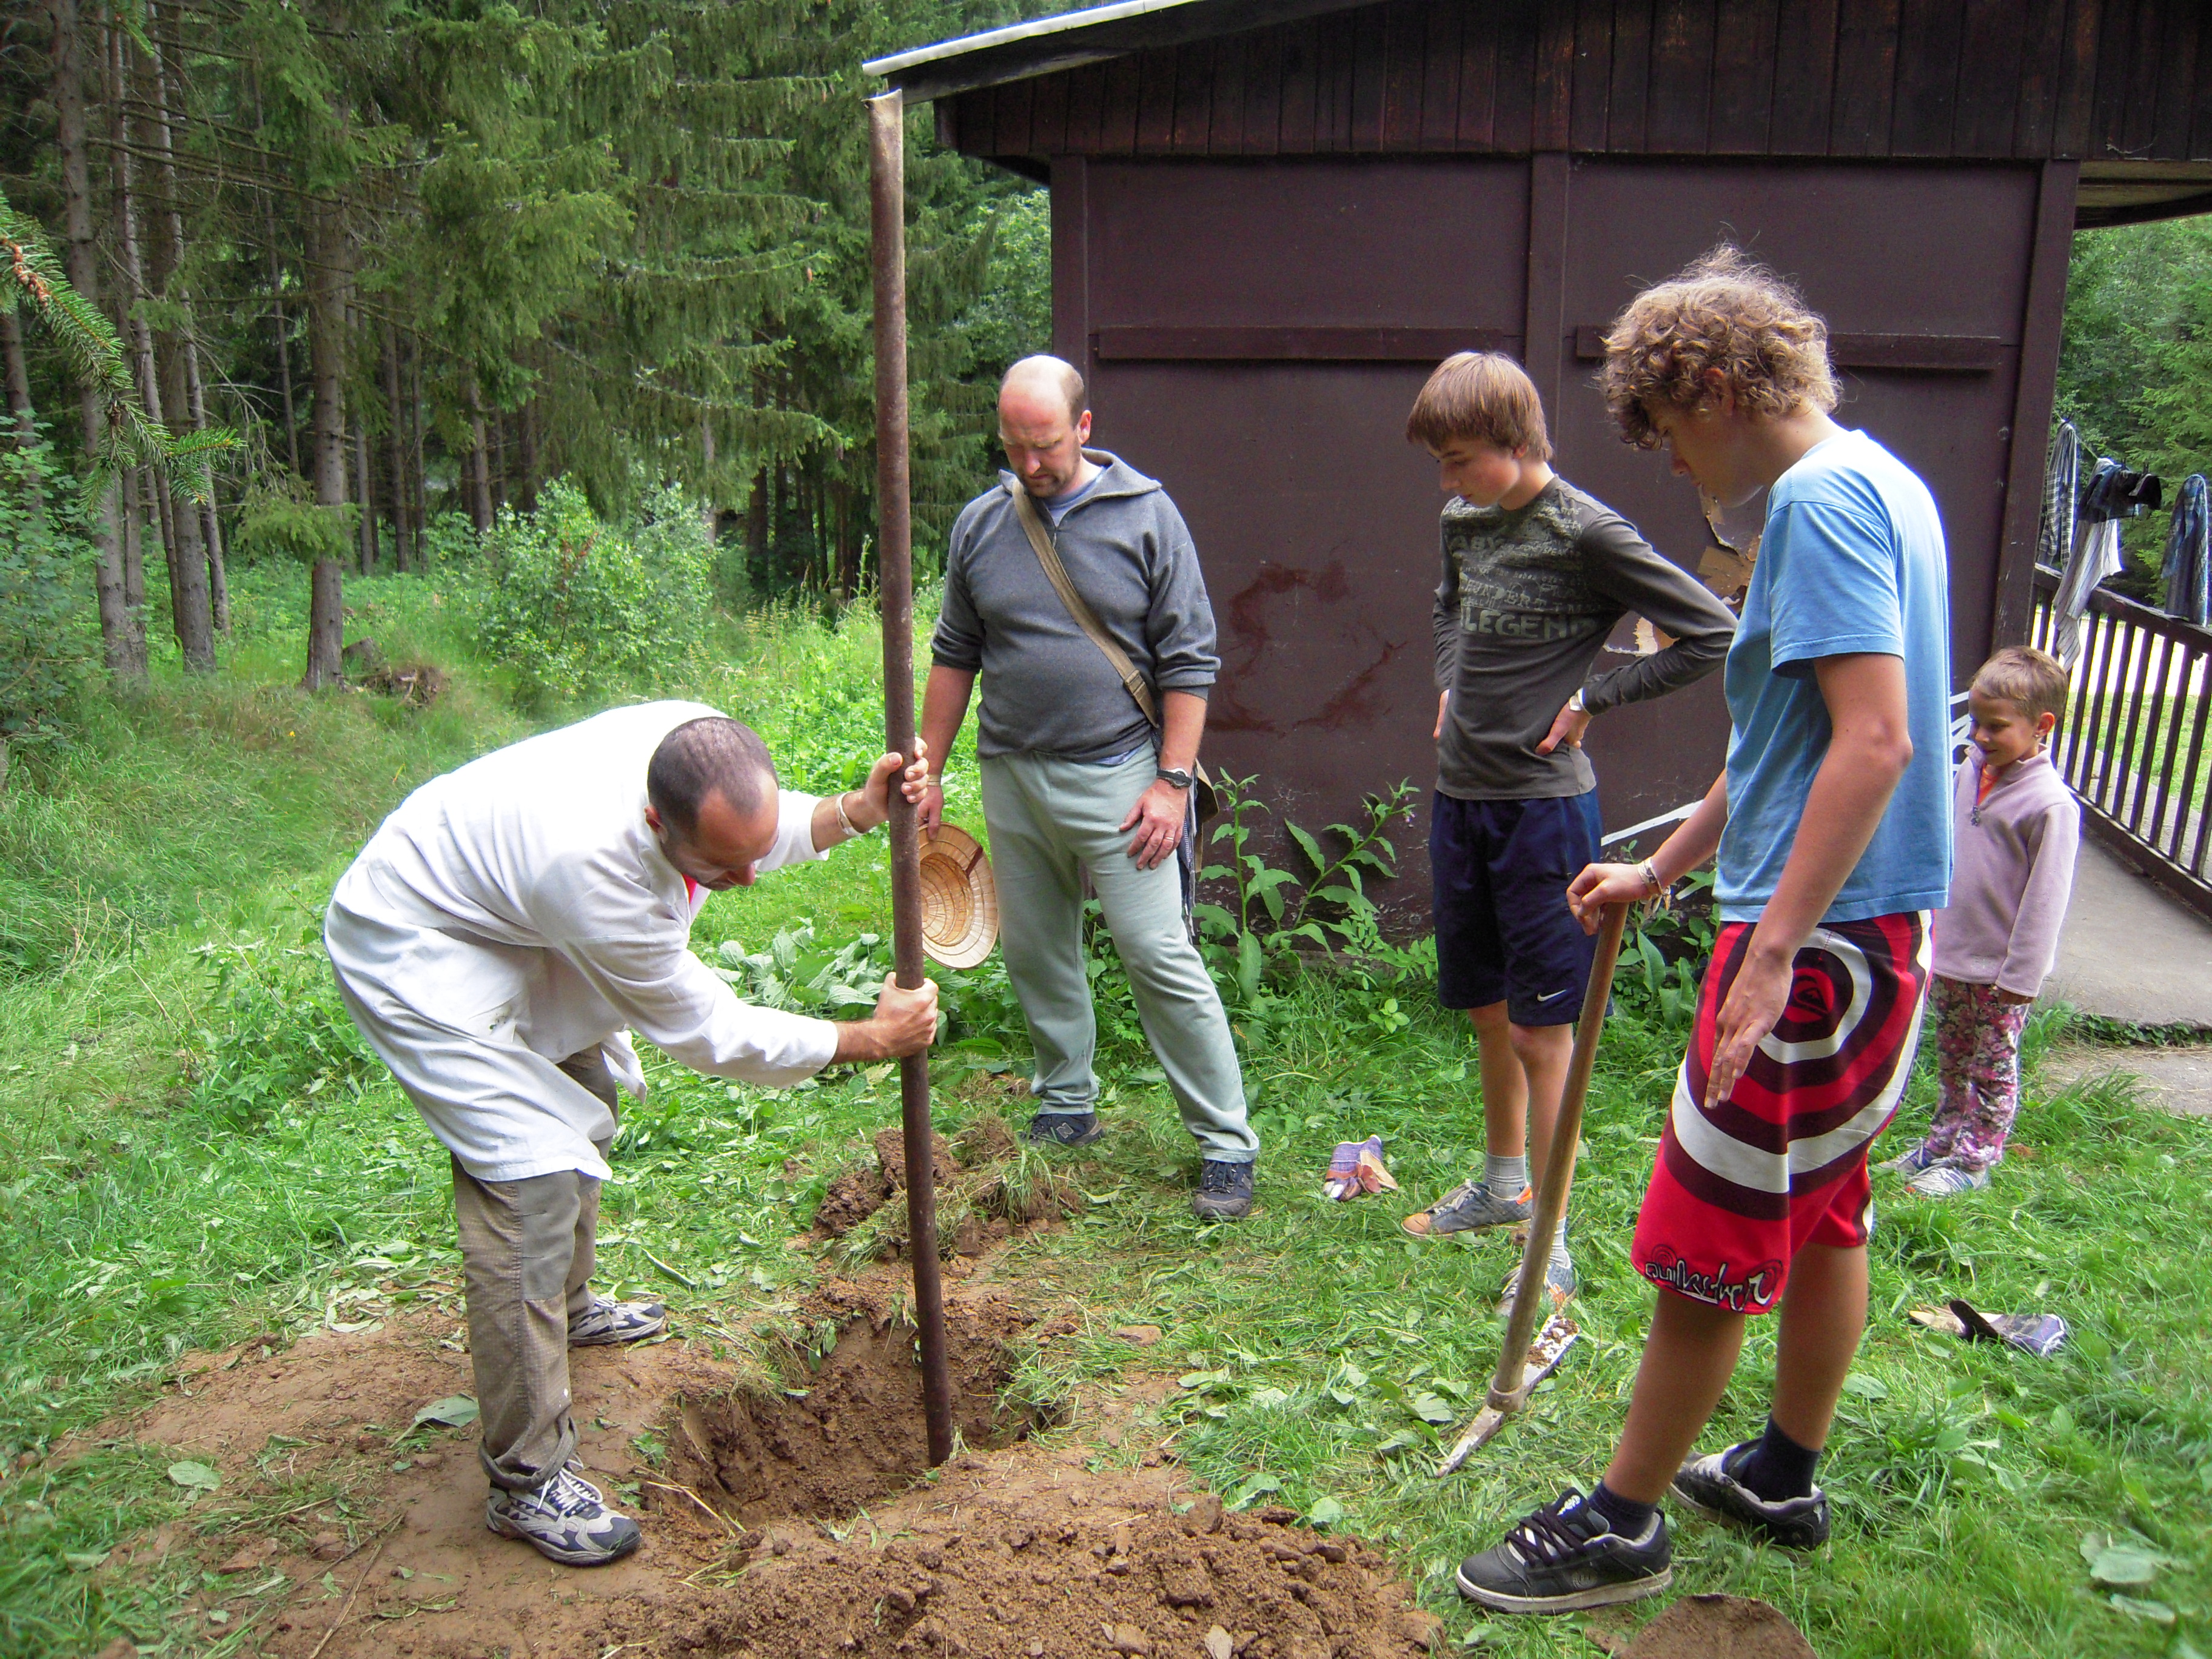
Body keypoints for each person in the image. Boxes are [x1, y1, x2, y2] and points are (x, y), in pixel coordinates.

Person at [1454, 247, 1952, 1614]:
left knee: (1712, 1226)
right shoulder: (1883, 482)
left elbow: (1876, 743)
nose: (1674, 466)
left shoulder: (1819, 507)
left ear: (1721, 391)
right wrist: (1664, 868)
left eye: (1671, 433)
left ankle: (1622, 1525)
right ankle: (1782, 1474)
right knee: (1824, 1211)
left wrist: (1774, 948)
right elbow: (1788, 740)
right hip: (1866, 929)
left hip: (1820, 947)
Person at [324, 703, 939, 1567]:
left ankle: (569, 1309)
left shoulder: (695, 742)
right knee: (527, 1181)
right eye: (719, 870)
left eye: (753, 855)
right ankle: (528, 1479)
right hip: (419, 939)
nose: (746, 880)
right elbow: (709, 1030)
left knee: (585, 1081)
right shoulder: (590, 871)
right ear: (656, 822)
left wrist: (852, 811)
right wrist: (867, 1038)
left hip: (511, 911)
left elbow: (743, 834)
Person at [1399, 352, 1736, 1312]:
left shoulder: (1587, 531)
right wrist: (1452, 678)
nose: (1447, 482)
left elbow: (1711, 633)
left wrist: (1595, 698)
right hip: (1461, 799)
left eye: (1459, 460)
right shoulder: (1464, 520)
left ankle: (1550, 1242)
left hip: (1543, 814)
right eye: (1440, 463)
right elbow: (1448, 607)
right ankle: (1503, 1184)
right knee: (1486, 1009)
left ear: (1512, 441)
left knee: (1543, 1032)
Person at [917, 355, 1260, 1221]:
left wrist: (1172, 785)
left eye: (1046, 446)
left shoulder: (1148, 516)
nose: (1031, 464)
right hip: (1011, 770)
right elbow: (955, 652)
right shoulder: (982, 524)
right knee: (1036, 948)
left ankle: (1226, 1144)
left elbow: (1190, 661)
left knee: (1157, 953)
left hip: (1121, 776)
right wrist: (931, 766)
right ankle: (1067, 1101)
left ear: (1084, 427)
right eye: (1014, 447)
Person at [1882, 646, 2079, 1196]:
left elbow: (2045, 903)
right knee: (1952, 1059)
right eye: (1976, 722)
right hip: (1950, 954)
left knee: (1992, 1068)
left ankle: (1974, 1162)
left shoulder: (2051, 806)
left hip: (1999, 972)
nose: (1982, 736)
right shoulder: (1971, 771)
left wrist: (2022, 976)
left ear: (2042, 726)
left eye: (1997, 726)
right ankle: (1942, 1143)